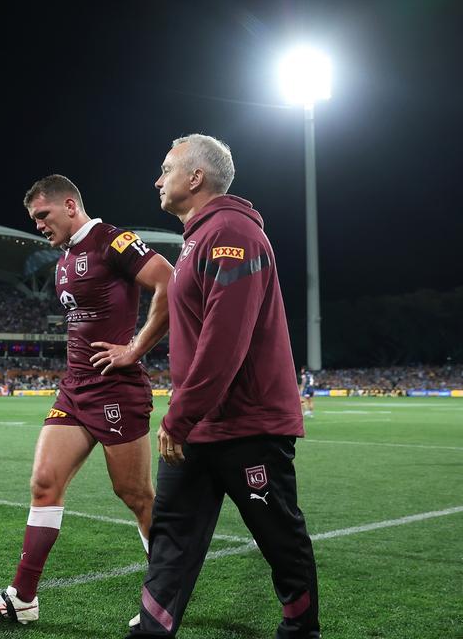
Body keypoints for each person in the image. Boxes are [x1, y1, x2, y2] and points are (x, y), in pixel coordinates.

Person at [128, 134, 319, 638]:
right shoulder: (196, 238)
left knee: (279, 538)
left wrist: (179, 414)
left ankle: (301, 631)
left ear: (196, 178)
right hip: (199, 427)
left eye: (166, 168)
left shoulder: (234, 232)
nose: (157, 178)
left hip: (245, 425)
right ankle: (150, 632)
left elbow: (225, 340)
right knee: (171, 539)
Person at [0, 174, 172, 624]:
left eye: (43, 215)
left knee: (135, 495)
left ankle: (166, 594)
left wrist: (135, 348)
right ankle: (22, 598)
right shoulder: (63, 260)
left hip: (116, 388)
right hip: (75, 389)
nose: (39, 224)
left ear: (70, 204)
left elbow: (169, 282)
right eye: (34, 218)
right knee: (43, 483)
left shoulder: (111, 241)